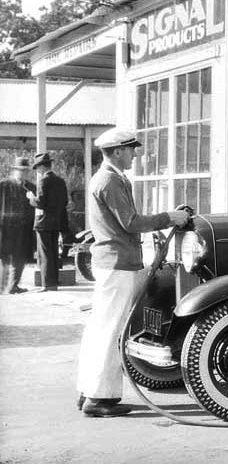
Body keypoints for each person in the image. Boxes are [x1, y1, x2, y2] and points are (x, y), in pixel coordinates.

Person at [75, 128, 188, 418]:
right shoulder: (110, 180)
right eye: (130, 149)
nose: (134, 154)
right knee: (112, 330)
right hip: (118, 265)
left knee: (101, 328)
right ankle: (98, 399)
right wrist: (169, 218)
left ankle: (90, 390)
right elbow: (131, 223)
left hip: (114, 264)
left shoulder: (108, 178)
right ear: (115, 152)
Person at [27, 152, 68, 292]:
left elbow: (40, 203)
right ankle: (54, 281)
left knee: (44, 254)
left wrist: (31, 197)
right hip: (56, 222)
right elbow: (65, 202)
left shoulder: (43, 181)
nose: (37, 171)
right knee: (53, 252)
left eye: (38, 168)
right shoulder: (61, 181)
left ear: (43, 167)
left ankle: (47, 284)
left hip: (43, 223)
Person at [0, 157, 36, 294]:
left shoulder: (31, 187)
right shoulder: (3, 185)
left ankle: (13, 286)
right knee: (5, 258)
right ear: (15, 170)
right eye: (21, 170)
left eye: (26, 171)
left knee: (20, 258)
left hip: (23, 229)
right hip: (5, 228)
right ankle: (2, 287)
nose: (24, 173)